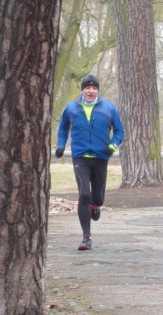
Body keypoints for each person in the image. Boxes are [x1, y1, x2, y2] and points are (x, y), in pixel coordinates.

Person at [55, 74, 124, 251]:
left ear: (98, 90)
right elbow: (63, 127)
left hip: (101, 157)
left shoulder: (109, 108)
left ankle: (96, 205)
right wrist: (61, 145)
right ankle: (86, 237)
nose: (91, 91)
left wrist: (113, 145)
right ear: (82, 90)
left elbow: (119, 130)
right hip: (80, 157)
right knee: (84, 194)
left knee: (98, 198)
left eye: (94, 88)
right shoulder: (71, 108)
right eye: (87, 88)